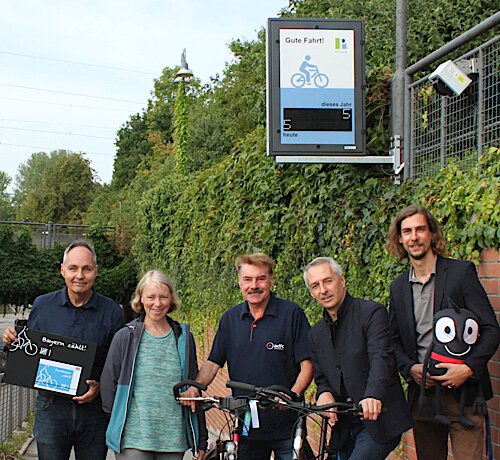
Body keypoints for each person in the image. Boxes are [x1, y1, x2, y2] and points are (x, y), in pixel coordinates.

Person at [386, 205, 500, 460]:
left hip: (465, 395)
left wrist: (468, 368)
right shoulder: (398, 288)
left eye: (420, 229)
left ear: (431, 234)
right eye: (407, 232)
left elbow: (492, 330)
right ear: (400, 239)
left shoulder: (461, 273)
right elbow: (393, 341)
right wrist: (409, 369)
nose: (414, 237)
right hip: (423, 397)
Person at [182, 253, 313, 460]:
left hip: (287, 424)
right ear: (240, 282)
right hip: (246, 425)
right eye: (248, 279)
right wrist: (194, 388)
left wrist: (291, 395)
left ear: (271, 280)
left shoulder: (292, 314)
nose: (254, 285)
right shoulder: (230, 319)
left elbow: (308, 365)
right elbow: (213, 363)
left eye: (261, 278)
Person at [2, 240, 124, 460]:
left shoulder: (112, 312)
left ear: (95, 271)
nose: (80, 275)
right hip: (51, 409)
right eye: (73, 268)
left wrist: (100, 387)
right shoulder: (43, 305)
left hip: (94, 413)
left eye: (86, 269)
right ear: (62, 270)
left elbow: (118, 363)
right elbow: (29, 353)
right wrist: (11, 342)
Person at [304, 257, 412, 460]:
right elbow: (322, 377)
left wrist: (373, 395)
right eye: (315, 286)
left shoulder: (371, 313)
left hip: (378, 422)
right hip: (344, 428)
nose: (323, 290)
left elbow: (382, 358)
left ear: (342, 280)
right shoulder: (316, 333)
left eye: (328, 281)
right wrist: (324, 393)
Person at [100, 270, 208, 459]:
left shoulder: (183, 338)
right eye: (151, 297)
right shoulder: (126, 336)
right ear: (141, 299)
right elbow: (109, 382)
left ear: (171, 299)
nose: (157, 303)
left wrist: (202, 439)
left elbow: (193, 390)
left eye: (163, 297)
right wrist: (115, 420)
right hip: (133, 438)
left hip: (173, 439)